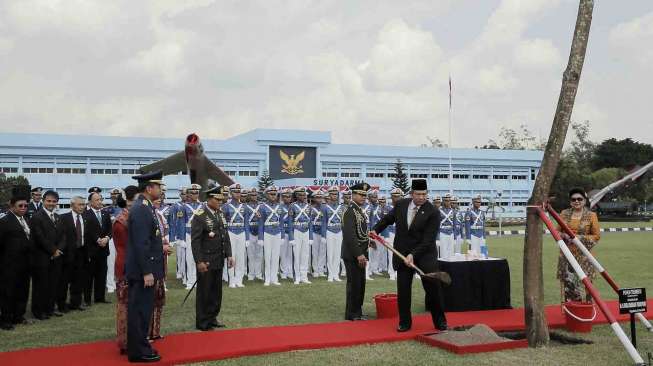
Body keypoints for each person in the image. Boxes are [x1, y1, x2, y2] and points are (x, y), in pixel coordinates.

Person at [372, 179, 447, 332]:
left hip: (425, 256)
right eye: (418, 194)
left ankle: (440, 321)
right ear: (411, 193)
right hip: (402, 253)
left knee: (433, 289)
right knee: (403, 290)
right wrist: (376, 230)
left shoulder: (433, 212)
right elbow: (387, 219)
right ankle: (405, 322)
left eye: (424, 194)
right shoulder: (401, 204)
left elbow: (428, 240)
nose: (421, 197)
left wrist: (413, 255)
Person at [125, 171, 165, 363]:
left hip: (145, 270)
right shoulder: (142, 209)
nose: (161, 189)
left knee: (142, 310)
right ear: (149, 188)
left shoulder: (145, 207)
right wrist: (147, 271)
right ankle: (139, 351)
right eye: (159, 186)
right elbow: (141, 244)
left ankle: (140, 347)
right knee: (139, 311)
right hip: (143, 272)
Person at [191, 185, 234, 331]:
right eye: (217, 199)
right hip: (206, 260)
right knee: (205, 292)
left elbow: (225, 235)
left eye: (221, 199)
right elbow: (195, 241)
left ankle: (212, 317)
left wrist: (229, 255)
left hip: (218, 259)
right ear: (209, 199)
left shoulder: (219, 213)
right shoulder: (200, 215)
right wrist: (199, 261)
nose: (220, 202)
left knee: (216, 291)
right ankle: (203, 322)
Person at [557, 188, 601, 303]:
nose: (576, 201)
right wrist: (564, 236)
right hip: (567, 255)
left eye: (579, 199)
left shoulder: (591, 215)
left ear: (584, 201)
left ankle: (588, 307)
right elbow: (557, 232)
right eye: (573, 199)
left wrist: (578, 239)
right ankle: (573, 309)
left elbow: (596, 236)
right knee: (570, 283)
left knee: (587, 283)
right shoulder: (564, 214)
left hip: (584, 255)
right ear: (570, 202)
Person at [0, 185, 32, 330]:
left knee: (23, 291)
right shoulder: (5, 222)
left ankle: (18, 316)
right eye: (20, 205)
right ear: (12, 206)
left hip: (25, 264)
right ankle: (6, 320)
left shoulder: (26, 219)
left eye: (26, 205)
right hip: (9, 265)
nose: (24, 207)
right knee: (8, 293)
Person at [29, 189, 64, 320]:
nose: (51, 203)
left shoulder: (58, 217)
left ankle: (50, 308)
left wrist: (59, 249)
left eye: (54, 201)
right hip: (41, 257)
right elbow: (39, 237)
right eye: (48, 201)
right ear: (43, 201)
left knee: (53, 284)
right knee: (41, 286)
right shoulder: (37, 217)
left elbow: (63, 236)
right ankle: (38, 311)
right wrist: (53, 250)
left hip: (56, 257)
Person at [112, 185, 138, 354]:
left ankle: (133, 339)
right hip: (127, 266)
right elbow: (129, 247)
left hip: (130, 264)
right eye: (136, 201)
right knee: (126, 306)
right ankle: (126, 342)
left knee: (134, 306)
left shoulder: (129, 217)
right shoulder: (122, 221)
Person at [341, 183, 370, 321]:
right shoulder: (350, 211)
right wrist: (359, 254)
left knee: (360, 284)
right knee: (354, 284)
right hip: (353, 254)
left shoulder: (358, 210)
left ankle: (357, 311)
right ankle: (352, 314)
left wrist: (369, 241)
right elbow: (350, 236)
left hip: (360, 253)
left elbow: (361, 233)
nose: (363, 197)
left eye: (365, 195)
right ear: (353, 195)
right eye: (360, 194)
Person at [57, 196, 90, 312]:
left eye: (84, 204)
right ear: (72, 205)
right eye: (80, 204)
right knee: (64, 281)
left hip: (81, 252)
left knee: (78, 279)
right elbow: (61, 236)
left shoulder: (86, 217)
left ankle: (75, 303)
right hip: (67, 254)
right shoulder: (63, 218)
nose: (82, 207)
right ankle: (61, 305)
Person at [85, 189, 113, 305]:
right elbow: (87, 230)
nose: (99, 202)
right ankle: (87, 299)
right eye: (96, 200)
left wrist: (107, 238)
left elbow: (110, 229)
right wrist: (97, 240)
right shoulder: (85, 214)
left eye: (100, 199)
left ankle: (100, 297)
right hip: (92, 250)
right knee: (89, 276)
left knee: (102, 275)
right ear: (90, 202)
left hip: (103, 249)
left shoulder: (105, 213)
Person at [222, 183, 250, 288]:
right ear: (230, 193)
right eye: (235, 192)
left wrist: (247, 237)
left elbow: (246, 223)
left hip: (241, 232)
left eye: (239, 192)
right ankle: (231, 280)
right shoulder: (225, 207)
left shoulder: (244, 207)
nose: (238, 194)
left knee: (241, 257)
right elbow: (223, 224)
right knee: (231, 257)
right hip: (230, 232)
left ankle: (239, 279)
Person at [258, 186, 284, 286]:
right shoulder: (262, 207)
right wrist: (260, 238)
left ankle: (274, 278)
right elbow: (260, 223)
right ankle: (267, 278)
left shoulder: (280, 207)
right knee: (267, 256)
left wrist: (282, 236)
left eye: (275, 194)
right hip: (267, 233)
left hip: (277, 232)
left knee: (276, 257)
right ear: (267, 195)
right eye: (271, 194)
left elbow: (281, 222)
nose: (273, 196)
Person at [288, 187, 313, 284]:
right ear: (297, 195)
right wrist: (291, 237)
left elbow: (310, 222)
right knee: (297, 255)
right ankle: (297, 277)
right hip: (297, 231)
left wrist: (311, 237)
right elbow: (290, 223)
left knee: (305, 255)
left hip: (306, 231)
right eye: (301, 194)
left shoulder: (309, 206)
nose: (303, 196)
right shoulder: (292, 206)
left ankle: (304, 276)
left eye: (304, 194)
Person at [182, 184, 203, 290]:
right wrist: (181, 238)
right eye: (193, 193)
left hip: (200, 235)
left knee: (199, 258)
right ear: (189, 194)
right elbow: (181, 223)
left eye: (196, 193)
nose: (195, 195)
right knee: (189, 259)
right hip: (189, 233)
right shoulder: (184, 206)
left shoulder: (203, 206)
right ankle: (190, 281)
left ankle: (198, 280)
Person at [322, 186, 344, 282]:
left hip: (339, 231)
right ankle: (330, 275)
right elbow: (323, 222)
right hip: (329, 231)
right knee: (330, 254)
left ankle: (336, 274)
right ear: (329, 195)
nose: (334, 196)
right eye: (333, 194)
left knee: (337, 254)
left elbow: (344, 222)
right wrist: (323, 236)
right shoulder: (325, 207)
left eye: (336, 194)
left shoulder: (342, 207)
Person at [105, 188, 124, 295]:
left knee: (122, 261)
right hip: (111, 238)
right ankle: (110, 284)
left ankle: (120, 282)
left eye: (117, 195)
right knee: (110, 262)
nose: (115, 197)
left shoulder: (124, 209)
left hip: (123, 238)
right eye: (113, 195)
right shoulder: (106, 209)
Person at [168, 187, 188, 284]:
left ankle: (184, 272)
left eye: (186, 194)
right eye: (183, 194)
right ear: (180, 195)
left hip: (188, 232)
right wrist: (174, 236)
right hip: (180, 233)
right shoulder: (176, 206)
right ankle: (179, 271)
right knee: (180, 255)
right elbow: (173, 221)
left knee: (186, 256)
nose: (185, 196)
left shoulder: (189, 205)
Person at [245, 188, 263, 281]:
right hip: (250, 232)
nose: (254, 196)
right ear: (249, 196)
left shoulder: (261, 206)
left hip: (259, 233)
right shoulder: (245, 206)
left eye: (255, 195)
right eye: (252, 195)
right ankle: (251, 274)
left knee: (259, 255)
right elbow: (245, 222)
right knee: (251, 255)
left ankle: (259, 273)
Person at [387, 188, 404, 281]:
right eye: (395, 197)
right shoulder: (388, 208)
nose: (397, 198)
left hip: (401, 233)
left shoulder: (404, 208)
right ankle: (392, 272)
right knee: (391, 254)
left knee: (400, 253)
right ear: (392, 197)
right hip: (391, 233)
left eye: (398, 197)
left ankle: (398, 271)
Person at [310, 190, 326, 277]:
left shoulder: (325, 208)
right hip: (314, 231)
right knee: (314, 252)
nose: (319, 199)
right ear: (313, 198)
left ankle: (321, 269)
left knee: (323, 252)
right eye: (317, 197)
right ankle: (315, 270)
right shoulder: (310, 208)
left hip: (323, 232)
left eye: (321, 197)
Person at [279, 188, 294, 280]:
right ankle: (283, 271)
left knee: (290, 254)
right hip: (283, 232)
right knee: (283, 253)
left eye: (289, 196)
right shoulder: (279, 207)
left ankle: (289, 271)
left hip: (291, 232)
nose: (288, 198)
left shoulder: (293, 207)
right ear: (282, 197)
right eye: (285, 196)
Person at [438, 194, 457, 259]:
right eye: (446, 200)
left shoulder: (453, 211)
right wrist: (437, 238)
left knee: (451, 252)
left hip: (451, 233)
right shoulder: (438, 211)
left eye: (449, 200)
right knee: (443, 253)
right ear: (443, 201)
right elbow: (437, 226)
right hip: (442, 233)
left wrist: (455, 237)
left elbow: (454, 225)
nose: (448, 202)